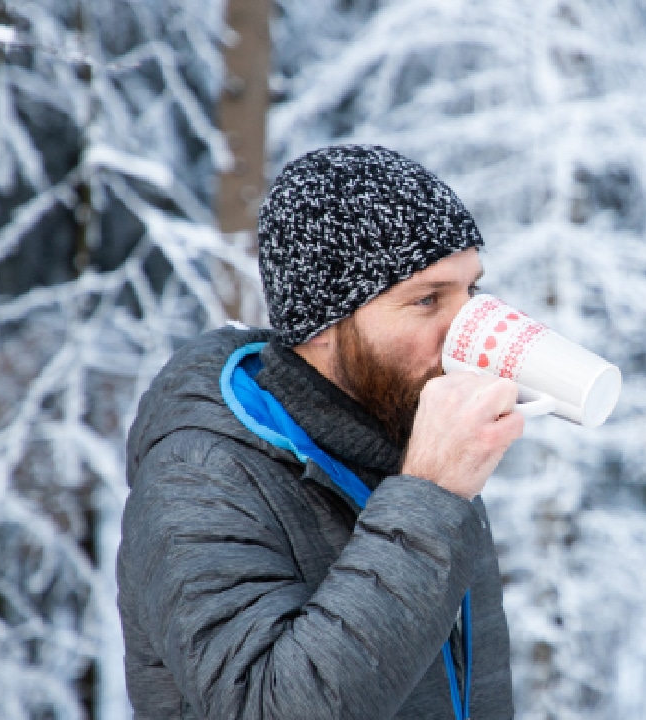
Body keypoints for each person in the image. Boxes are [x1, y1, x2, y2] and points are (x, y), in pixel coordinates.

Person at [117, 145, 522, 719]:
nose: (467, 333)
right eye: (428, 300)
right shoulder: (200, 473)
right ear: (325, 323)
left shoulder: (402, 429)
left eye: (471, 293)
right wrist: (429, 497)